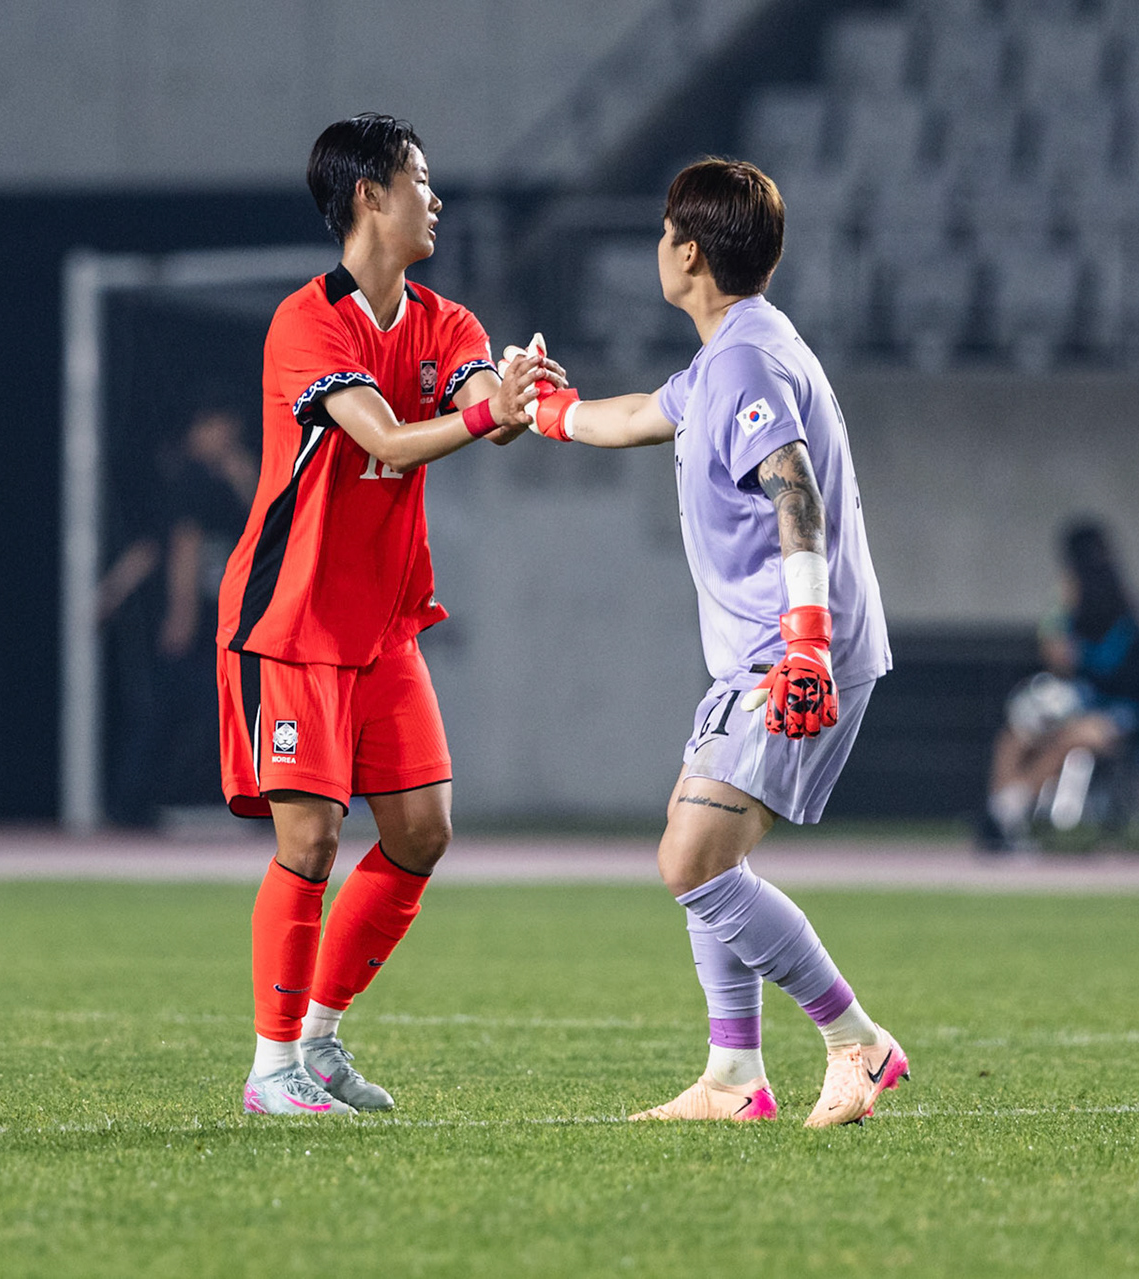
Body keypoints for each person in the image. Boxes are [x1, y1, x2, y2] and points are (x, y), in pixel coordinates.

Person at [521, 159, 907, 1128]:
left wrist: (809, 646)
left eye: (662, 232)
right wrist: (539, 410)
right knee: (702, 860)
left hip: (795, 651)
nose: (657, 245)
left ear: (688, 251)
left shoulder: (745, 361)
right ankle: (734, 1076)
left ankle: (855, 1040)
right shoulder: (727, 356)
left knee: (690, 860)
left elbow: (795, 487)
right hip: (764, 655)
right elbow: (641, 418)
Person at [216, 114, 554, 1117]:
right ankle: (270, 1068)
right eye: (419, 178)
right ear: (369, 194)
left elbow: (478, 397)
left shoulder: (444, 318)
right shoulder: (305, 324)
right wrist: (486, 413)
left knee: (420, 829)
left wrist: (512, 391)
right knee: (312, 840)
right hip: (295, 615)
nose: (434, 196)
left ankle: (317, 1040)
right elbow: (390, 440)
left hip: (382, 618)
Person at [100, 409, 256, 826]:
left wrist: (241, 475)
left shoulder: (231, 477)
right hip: (197, 622)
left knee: (210, 712)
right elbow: (174, 545)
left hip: (227, 619)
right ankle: (134, 803)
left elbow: (269, 521)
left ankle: (233, 799)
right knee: (176, 711)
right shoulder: (187, 481)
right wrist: (178, 613)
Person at [981, 519, 1139, 851]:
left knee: (1069, 740)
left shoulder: (1123, 619)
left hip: (1122, 718)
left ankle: (1007, 813)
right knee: (1016, 734)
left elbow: (1110, 673)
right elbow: (1055, 658)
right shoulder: (1072, 612)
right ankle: (999, 816)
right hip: (1078, 709)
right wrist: (1059, 611)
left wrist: (1072, 640)